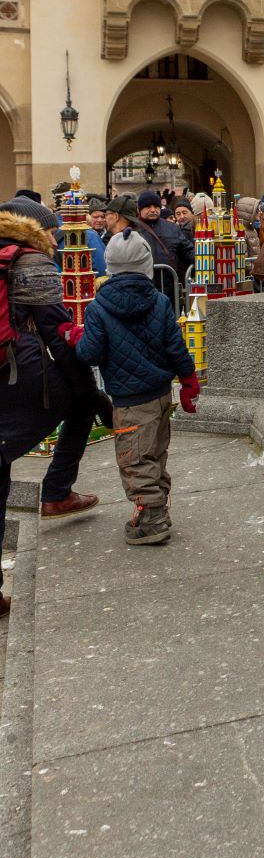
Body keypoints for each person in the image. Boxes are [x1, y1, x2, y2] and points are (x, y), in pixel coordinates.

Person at [0, 199, 103, 609]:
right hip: (18, 371)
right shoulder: (31, 262)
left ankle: (58, 492)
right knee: (79, 405)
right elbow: (55, 331)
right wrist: (89, 389)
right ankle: (57, 491)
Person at [67, 228, 200, 546]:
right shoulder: (159, 301)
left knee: (134, 458)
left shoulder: (98, 308)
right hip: (159, 395)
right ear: (146, 264)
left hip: (128, 401)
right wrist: (188, 381)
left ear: (110, 267)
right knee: (154, 451)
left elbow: (91, 354)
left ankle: (152, 516)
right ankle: (157, 504)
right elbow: (176, 347)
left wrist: (75, 336)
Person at [136, 189, 194, 286]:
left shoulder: (173, 228)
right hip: (141, 288)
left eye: (156, 206)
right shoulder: (132, 229)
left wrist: (205, 260)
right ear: (139, 209)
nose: (153, 210)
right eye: (148, 206)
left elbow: (187, 251)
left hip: (169, 288)